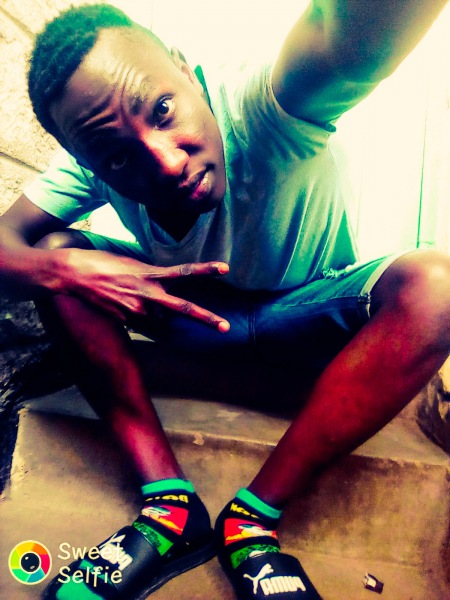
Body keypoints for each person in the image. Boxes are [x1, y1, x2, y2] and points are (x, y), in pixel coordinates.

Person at [1, 1, 450, 598]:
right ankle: (169, 509)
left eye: (162, 110)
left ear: (186, 69)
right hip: (202, 318)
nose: (166, 162)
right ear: (89, 161)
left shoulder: (264, 107)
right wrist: (64, 271)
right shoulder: (93, 164)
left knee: (438, 285)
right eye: (117, 157)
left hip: (304, 320)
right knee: (56, 255)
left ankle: (251, 521)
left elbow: (342, 38)